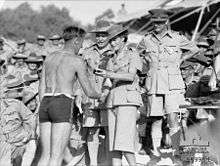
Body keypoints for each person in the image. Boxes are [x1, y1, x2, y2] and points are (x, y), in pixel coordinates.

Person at [138, 9, 199, 166]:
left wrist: (180, 59)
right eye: (154, 23)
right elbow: (137, 54)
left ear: (166, 22)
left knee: (173, 119)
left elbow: (194, 49)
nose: (156, 25)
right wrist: (146, 63)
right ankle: (156, 154)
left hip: (173, 84)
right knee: (156, 119)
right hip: (154, 83)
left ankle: (177, 155)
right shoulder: (146, 39)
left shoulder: (177, 38)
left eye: (159, 23)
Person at [37, 25, 102, 166]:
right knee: (56, 156)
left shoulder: (49, 57)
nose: (81, 46)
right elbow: (89, 92)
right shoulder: (76, 60)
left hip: (45, 102)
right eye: (82, 42)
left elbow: (41, 86)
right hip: (62, 102)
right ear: (76, 41)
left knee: (45, 155)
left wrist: (41, 108)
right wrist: (102, 95)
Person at [95, 24, 143, 166]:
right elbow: (109, 82)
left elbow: (131, 76)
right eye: (111, 40)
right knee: (113, 143)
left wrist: (109, 74)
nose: (112, 43)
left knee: (125, 142)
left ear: (123, 38)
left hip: (128, 100)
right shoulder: (111, 58)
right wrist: (102, 95)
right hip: (113, 101)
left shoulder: (132, 54)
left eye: (115, 39)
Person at [81, 19, 111, 166]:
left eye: (104, 35)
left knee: (108, 129)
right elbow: (80, 75)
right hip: (90, 96)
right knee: (92, 131)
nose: (100, 38)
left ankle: (107, 161)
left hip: (108, 95)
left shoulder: (114, 51)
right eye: (98, 35)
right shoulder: (87, 52)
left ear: (109, 36)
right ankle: (93, 162)